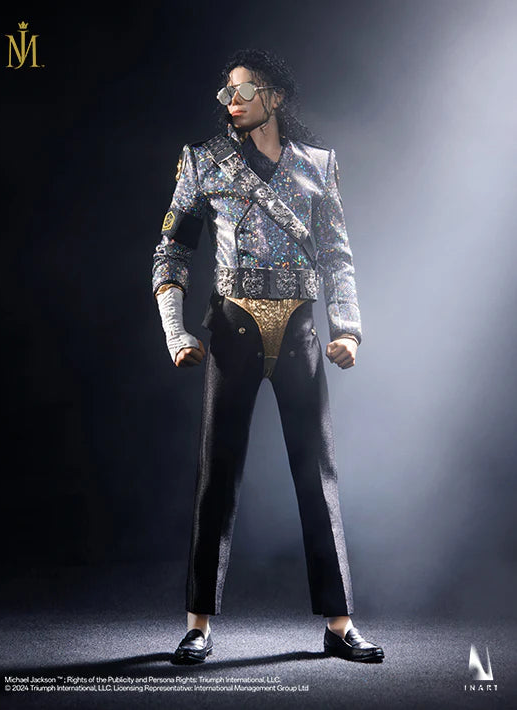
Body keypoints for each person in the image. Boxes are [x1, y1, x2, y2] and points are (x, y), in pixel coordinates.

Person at [152, 49, 384, 664]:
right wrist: (176, 332)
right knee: (217, 475)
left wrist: (349, 330)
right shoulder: (203, 163)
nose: (232, 101)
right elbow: (171, 253)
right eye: (226, 92)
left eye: (245, 90)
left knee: (317, 473)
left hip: (302, 330)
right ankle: (198, 624)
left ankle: (339, 623)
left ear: (274, 97)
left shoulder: (318, 166)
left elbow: (337, 255)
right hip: (232, 328)